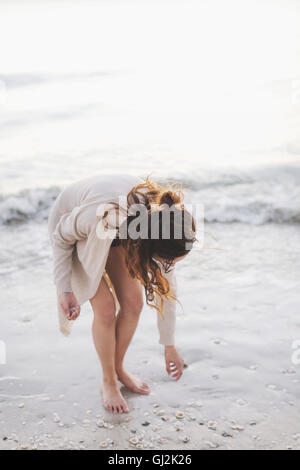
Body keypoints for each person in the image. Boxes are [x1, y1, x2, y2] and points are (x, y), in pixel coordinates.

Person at [48, 173, 196, 413]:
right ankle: (108, 381)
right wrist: (64, 289)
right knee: (105, 309)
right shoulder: (103, 217)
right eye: (167, 261)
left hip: (120, 228)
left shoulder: (165, 225)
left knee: (133, 303)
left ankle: (118, 369)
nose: (169, 267)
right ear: (149, 247)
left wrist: (169, 345)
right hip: (76, 227)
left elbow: (167, 289)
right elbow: (61, 238)